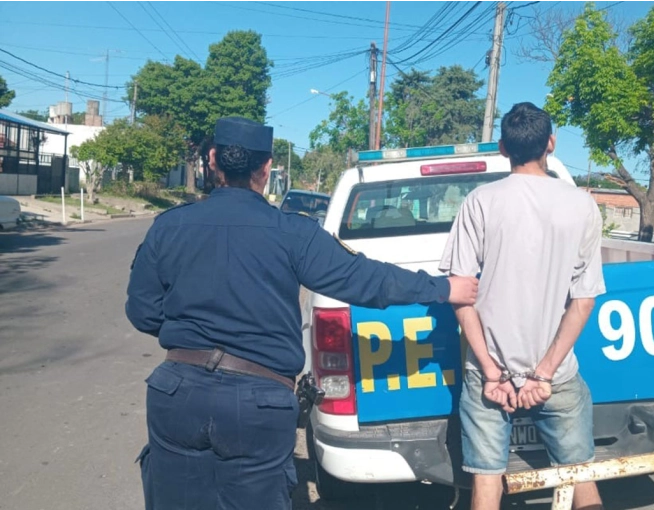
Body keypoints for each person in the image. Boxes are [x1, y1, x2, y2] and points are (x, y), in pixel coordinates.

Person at [126, 116, 479, 510]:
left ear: (212, 161)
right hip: (258, 403)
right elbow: (366, 281)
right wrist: (445, 288)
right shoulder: (293, 233)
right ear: (266, 168)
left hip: (177, 393)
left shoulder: (167, 226)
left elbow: (142, 312)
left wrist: (190, 336)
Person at [439, 102, 606, 510]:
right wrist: (544, 373)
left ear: (502, 147)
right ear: (550, 143)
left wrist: (494, 372)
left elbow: (461, 296)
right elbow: (583, 301)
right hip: (557, 375)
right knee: (579, 474)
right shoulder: (582, 205)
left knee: (486, 484)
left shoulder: (480, 201)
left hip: (488, 375)